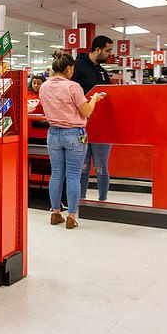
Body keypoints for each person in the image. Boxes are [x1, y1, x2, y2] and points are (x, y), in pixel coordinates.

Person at [39, 51, 105, 229]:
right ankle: (71, 216)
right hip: (74, 134)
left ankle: (55, 213)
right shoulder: (73, 86)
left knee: (56, 173)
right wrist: (95, 99)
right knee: (74, 176)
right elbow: (87, 112)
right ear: (68, 68)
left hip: (53, 134)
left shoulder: (44, 86)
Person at [71, 35, 113, 202]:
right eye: (108, 50)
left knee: (102, 167)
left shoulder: (102, 71)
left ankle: (103, 200)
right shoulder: (77, 67)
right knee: (83, 167)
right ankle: (80, 201)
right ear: (97, 50)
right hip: (81, 125)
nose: (110, 54)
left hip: (102, 126)